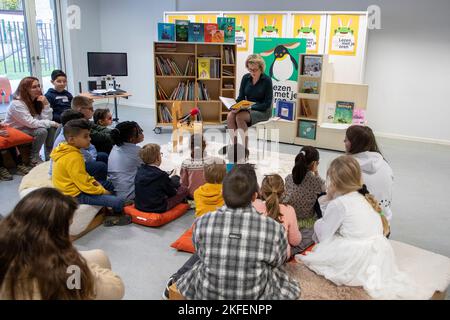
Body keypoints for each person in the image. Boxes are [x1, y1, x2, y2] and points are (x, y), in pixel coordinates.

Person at [297, 156, 425, 299]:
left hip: (355, 256)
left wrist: (321, 212)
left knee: (319, 242)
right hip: (379, 253)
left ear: (333, 180)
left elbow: (324, 236)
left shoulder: (339, 203)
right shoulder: (364, 197)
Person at [175, 164, 300, 300]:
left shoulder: (202, 222)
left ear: (222, 192)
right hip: (254, 295)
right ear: (254, 197)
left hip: (207, 294)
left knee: (199, 263)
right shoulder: (275, 229)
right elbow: (278, 261)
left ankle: (174, 280)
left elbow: (200, 253)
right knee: (276, 272)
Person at [0, 187, 125, 300]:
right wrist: (78, 262)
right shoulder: (65, 269)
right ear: (57, 233)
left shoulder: (8, 241)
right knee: (101, 264)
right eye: (68, 226)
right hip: (59, 281)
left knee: (99, 256)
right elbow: (116, 290)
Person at [50, 119, 130, 227]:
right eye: (85, 136)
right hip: (74, 195)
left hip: (77, 188)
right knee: (119, 201)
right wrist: (102, 191)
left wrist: (97, 184)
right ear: (71, 139)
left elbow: (83, 176)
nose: (90, 139)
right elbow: (84, 185)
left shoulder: (69, 149)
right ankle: (116, 216)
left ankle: (110, 204)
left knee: (109, 184)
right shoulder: (73, 157)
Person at [223, 54, 273, 152]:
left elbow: (267, 103)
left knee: (239, 117)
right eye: (250, 69)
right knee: (230, 116)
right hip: (246, 108)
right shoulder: (246, 78)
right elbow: (240, 97)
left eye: (254, 70)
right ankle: (235, 147)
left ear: (261, 68)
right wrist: (234, 105)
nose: (252, 72)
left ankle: (244, 150)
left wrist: (249, 107)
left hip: (262, 110)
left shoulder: (267, 80)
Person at [4, 77, 59, 165]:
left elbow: (46, 120)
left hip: (27, 127)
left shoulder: (36, 100)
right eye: (34, 87)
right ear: (25, 89)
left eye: (38, 86)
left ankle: (49, 155)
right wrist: (52, 123)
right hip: (15, 129)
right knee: (41, 131)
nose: (38, 89)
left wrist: (46, 105)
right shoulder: (17, 104)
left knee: (50, 128)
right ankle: (34, 157)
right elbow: (31, 123)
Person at [345, 125, 394, 221]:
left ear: (354, 144)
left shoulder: (346, 167)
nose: (344, 142)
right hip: (384, 220)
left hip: (360, 223)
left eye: (346, 140)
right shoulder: (385, 165)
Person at [283, 146, 326, 253]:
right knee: (321, 200)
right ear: (315, 164)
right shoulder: (317, 182)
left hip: (289, 219)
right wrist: (316, 174)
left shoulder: (288, 178)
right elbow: (324, 194)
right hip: (306, 223)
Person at [49, 109, 108, 182]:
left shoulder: (68, 132)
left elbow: (90, 147)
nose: (83, 123)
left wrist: (91, 154)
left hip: (82, 159)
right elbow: (87, 157)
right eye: (80, 122)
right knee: (101, 166)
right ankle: (100, 185)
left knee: (102, 155)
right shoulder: (67, 140)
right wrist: (92, 157)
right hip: (68, 170)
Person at [253, 174, 301, 258]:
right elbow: (295, 241)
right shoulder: (289, 210)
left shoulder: (254, 205)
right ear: (283, 192)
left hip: (257, 254)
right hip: (281, 257)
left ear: (261, 191)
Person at [134, 143, 188, 213]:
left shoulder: (140, 170)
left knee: (174, 178)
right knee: (184, 189)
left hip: (139, 205)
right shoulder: (161, 175)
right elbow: (172, 193)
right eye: (160, 154)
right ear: (157, 158)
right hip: (157, 207)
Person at [108, 121, 144, 201]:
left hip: (117, 191)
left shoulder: (115, 147)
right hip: (129, 195)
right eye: (140, 131)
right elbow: (152, 163)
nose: (142, 132)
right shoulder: (136, 152)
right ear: (131, 139)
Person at [180, 134, 220, 198]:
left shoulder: (186, 163)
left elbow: (183, 184)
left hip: (193, 196)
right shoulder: (213, 161)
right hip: (210, 195)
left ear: (190, 146)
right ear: (205, 145)